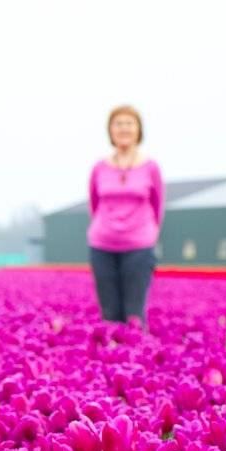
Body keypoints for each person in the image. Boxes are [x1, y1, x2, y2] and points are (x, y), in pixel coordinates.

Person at [87, 105, 163, 324]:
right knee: (109, 314)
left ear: (139, 129)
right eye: (118, 123)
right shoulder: (99, 168)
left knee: (134, 314)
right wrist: (106, 228)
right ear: (110, 130)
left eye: (129, 123)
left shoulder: (150, 168)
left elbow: (157, 205)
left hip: (139, 246)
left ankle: (134, 356)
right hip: (102, 245)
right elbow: (94, 203)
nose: (124, 128)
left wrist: (148, 234)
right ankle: (110, 355)